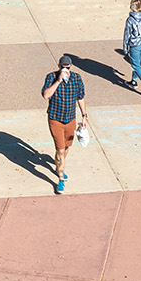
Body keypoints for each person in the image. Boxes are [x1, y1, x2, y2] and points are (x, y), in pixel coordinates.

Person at [40, 53, 87, 195]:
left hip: (70, 119)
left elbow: (81, 97)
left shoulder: (77, 78)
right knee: (60, 149)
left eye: (67, 67)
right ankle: (60, 178)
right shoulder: (51, 77)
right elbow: (46, 95)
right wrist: (58, 81)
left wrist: (84, 116)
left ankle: (59, 165)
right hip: (55, 119)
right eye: (62, 67)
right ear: (58, 67)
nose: (65, 69)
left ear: (71, 66)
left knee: (66, 147)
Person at [123, 0, 141, 95]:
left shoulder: (130, 19)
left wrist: (125, 46)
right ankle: (134, 81)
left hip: (135, 44)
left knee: (135, 65)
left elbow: (127, 34)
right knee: (137, 63)